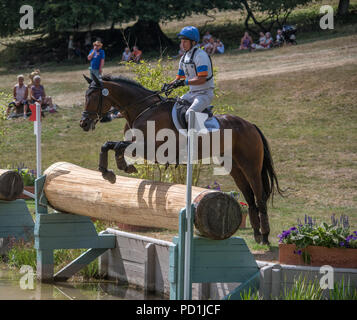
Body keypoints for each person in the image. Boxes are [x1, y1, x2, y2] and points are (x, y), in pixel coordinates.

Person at [166, 26, 214, 126]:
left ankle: (195, 141)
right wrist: (169, 85)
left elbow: (202, 79)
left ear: (193, 42)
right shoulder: (184, 58)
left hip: (204, 94)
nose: (182, 44)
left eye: (185, 41)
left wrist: (184, 82)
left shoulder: (200, 56)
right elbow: (179, 78)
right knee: (173, 109)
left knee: (189, 115)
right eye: (181, 41)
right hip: (191, 93)